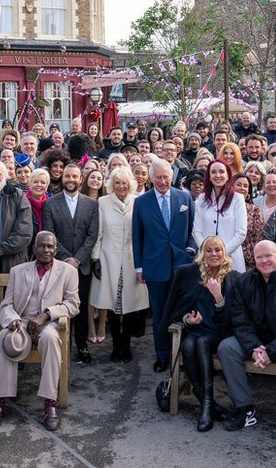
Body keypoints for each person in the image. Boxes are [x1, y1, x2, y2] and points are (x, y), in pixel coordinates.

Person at [219, 241, 276, 441]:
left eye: (269, 255)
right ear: (254, 260)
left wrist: (270, 351)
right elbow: (239, 319)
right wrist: (254, 347)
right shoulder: (244, 282)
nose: (264, 261)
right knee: (227, 348)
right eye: (259, 257)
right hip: (255, 341)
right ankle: (244, 408)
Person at [0, 231, 80, 432]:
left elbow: (73, 304)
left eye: (50, 246)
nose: (46, 250)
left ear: (55, 249)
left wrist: (47, 314)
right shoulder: (18, 271)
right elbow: (6, 304)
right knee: (9, 339)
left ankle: (50, 403)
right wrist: (13, 320)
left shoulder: (68, 271)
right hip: (22, 323)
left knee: (50, 338)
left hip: (49, 323)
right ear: (34, 248)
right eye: (42, 246)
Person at [165, 236, 238, 432]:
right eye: (209, 250)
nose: (214, 254)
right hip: (195, 329)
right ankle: (209, 404)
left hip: (218, 332)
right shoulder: (190, 274)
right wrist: (188, 318)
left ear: (224, 253)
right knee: (188, 345)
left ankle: (206, 408)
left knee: (202, 343)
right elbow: (179, 308)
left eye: (218, 250)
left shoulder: (233, 277)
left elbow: (231, 317)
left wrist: (218, 296)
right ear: (202, 254)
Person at [132, 159, 197, 372]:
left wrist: (190, 250)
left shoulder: (184, 197)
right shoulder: (142, 202)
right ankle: (162, 355)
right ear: (151, 179)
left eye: (166, 177)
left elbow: (193, 230)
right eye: (158, 177)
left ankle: (183, 355)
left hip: (182, 265)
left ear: (172, 177)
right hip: (155, 266)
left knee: (182, 311)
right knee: (159, 314)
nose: (162, 181)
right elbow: (137, 236)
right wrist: (139, 267)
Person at [42, 164, 100, 364]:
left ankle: (81, 346)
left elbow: (92, 235)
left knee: (81, 308)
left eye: (75, 176)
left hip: (82, 265)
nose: (70, 180)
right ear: (62, 178)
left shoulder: (92, 204)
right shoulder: (51, 204)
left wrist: (78, 259)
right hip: (59, 264)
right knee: (59, 306)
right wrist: (67, 259)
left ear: (80, 178)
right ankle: (60, 345)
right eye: (67, 176)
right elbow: (50, 234)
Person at [90, 167, 147, 362]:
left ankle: (126, 345)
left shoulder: (139, 201)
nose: (121, 186)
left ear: (130, 183)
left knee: (131, 306)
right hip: (108, 257)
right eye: (117, 182)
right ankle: (115, 346)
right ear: (112, 184)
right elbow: (98, 232)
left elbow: (142, 233)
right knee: (112, 306)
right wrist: (96, 258)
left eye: (124, 182)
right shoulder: (103, 202)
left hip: (132, 258)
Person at [192, 160, 248, 272]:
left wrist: (221, 254)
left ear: (228, 175)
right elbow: (196, 231)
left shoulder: (237, 198)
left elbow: (241, 233)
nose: (218, 175)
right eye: (213, 172)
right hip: (205, 261)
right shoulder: (201, 199)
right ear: (209, 176)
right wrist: (208, 253)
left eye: (221, 172)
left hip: (231, 260)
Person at [232, 173, 264, 271]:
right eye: (238, 184)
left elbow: (258, 238)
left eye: (245, 186)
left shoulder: (254, 210)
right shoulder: (223, 208)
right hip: (228, 256)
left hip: (248, 261)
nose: (242, 188)